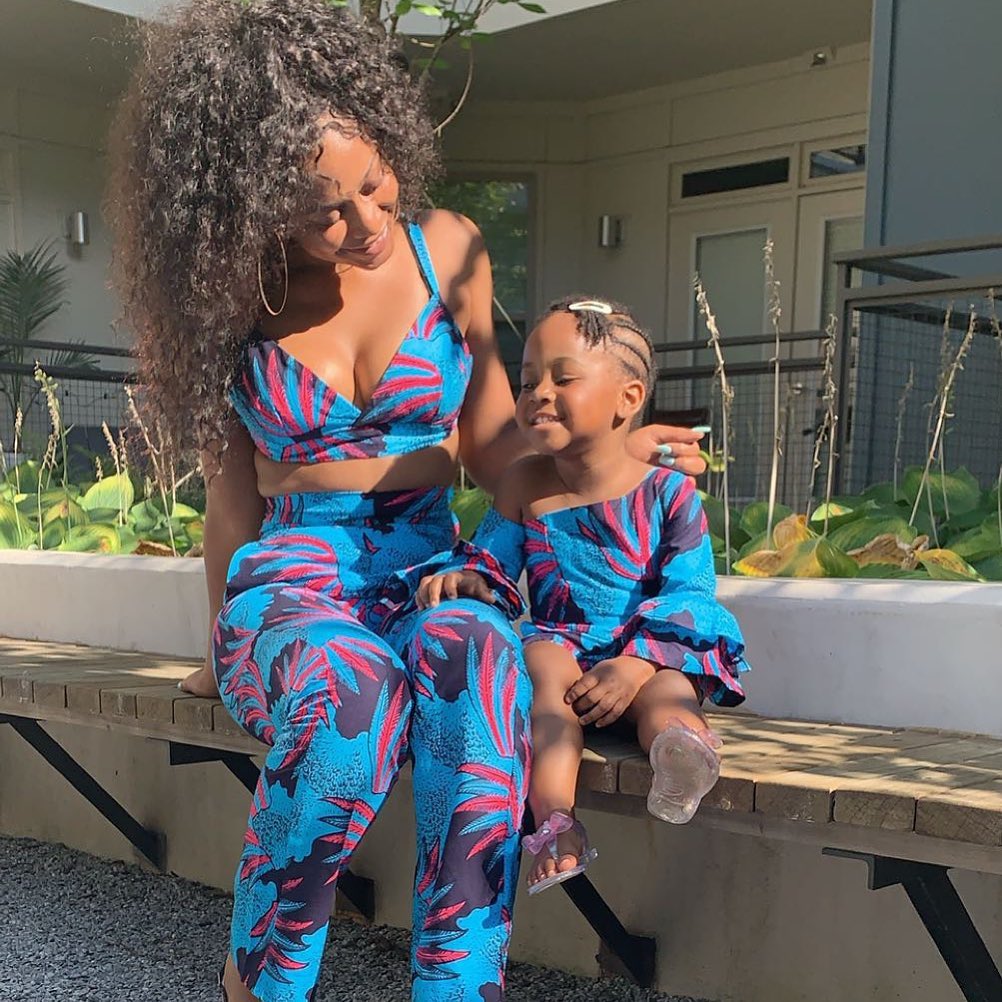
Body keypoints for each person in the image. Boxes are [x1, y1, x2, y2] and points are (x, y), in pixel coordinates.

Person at [106, 2, 706, 999]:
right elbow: (232, 503)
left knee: (481, 666)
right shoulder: (229, 302)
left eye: (374, 181)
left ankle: (458, 984)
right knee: (352, 700)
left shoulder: (448, 250)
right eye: (326, 211)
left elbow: (497, 448)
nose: (368, 221)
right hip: (298, 576)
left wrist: (599, 458)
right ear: (254, 205)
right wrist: (219, 651)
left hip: (433, 565)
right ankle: (260, 977)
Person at [418, 298, 748, 895]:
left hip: (643, 651)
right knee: (542, 667)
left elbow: (690, 590)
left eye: (563, 378)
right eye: (527, 382)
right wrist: (473, 580)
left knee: (671, 692)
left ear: (628, 397)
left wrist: (637, 663)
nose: (539, 393)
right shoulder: (524, 483)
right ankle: (556, 824)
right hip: (564, 654)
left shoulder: (668, 493)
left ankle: (680, 755)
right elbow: (494, 562)